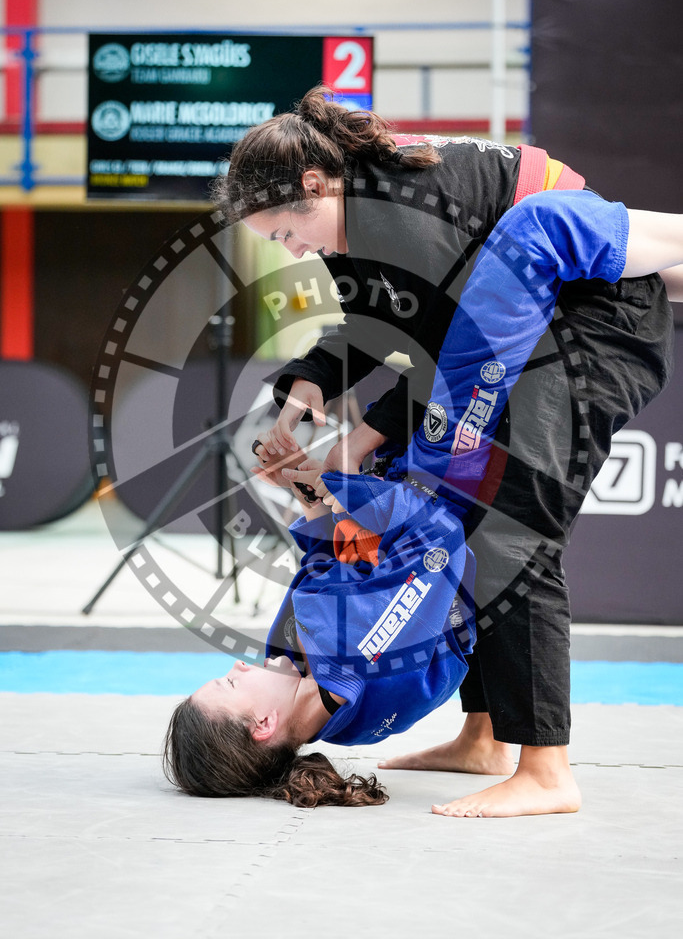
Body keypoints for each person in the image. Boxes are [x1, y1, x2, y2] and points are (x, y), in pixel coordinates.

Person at [164, 190, 683, 815]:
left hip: (427, 482)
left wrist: (305, 487)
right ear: (264, 727)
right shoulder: (364, 667)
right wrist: (342, 484)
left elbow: (336, 559)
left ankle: (484, 741)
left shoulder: (312, 673)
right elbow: (433, 546)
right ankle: (546, 773)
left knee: (480, 306)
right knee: (537, 229)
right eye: (230, 684)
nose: (239, 668)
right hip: (449, 480)